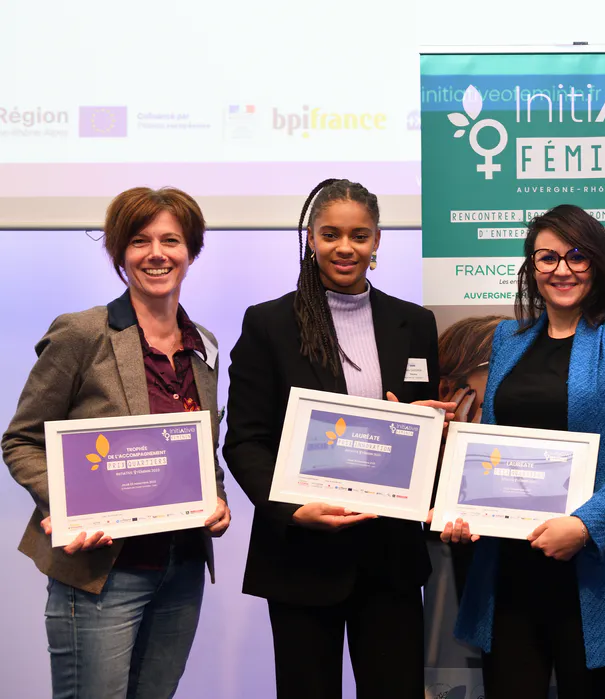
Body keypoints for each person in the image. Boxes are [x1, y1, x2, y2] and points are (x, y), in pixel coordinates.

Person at [222, 179, 453, 699]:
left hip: (390, 558)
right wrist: (291, 509)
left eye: (359, 235)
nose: (345, 247)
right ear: (310, 238)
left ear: (377, 241)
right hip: (301, 555)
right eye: (330, 234)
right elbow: (245, 441)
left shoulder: (415, 323)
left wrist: (423, 429)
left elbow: (420, 433)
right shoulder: (269, 324)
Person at [2, 186, 232, 698]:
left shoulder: (205, 345)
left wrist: (216, 499)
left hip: (181, 569)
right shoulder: (83, 334)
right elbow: (21, 440)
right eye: (139, 241)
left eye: (171, 240)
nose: (156, 254)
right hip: (102, 572)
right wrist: (68, 504)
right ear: (119, 253)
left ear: (191, 251)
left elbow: (201, 447)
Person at [442, 205, 605, 699]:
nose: (561, 269)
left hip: (588, 570)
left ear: (598, 262)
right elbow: (493, 443)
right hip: (509, 566)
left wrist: (583, 526)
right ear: (532, 266)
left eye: (576, 256)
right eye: (547, 257)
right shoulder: (508, 339)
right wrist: (462, 511)